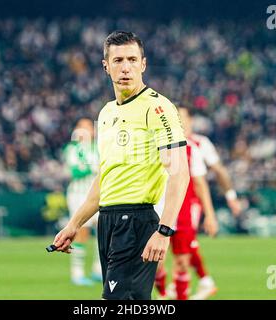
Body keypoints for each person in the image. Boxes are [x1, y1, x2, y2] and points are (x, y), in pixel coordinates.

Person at [52, 30, 190, 300]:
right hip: (108, 221)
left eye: (131, 59)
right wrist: (74, 224)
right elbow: (105, 178)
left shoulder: (158, 108)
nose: (125, 67)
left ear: (143, 64)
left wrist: (164, 230)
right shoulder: (106, 113)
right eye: (117, 61)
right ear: (106, 66)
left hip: (137, 221)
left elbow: (179, 172)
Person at [154, 106, 219, 300]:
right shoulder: (153, 146)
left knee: (182, 261)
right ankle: (164, 295)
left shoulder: (192, 148)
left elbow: (200, 184)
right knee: (157, 262)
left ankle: (179, 296)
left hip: (182, 212)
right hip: (157, 211)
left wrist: (210, 214)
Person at [62, 118, 102, 285]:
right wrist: (91, 167)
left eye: (89, 127)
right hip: (79, 195)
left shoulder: (99, 148)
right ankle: (77, 272)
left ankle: (98, 269)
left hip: (98, 195)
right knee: (81, 232)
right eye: (82, 127)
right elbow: (74, 172)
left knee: (103, 232)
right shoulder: (73, 149)